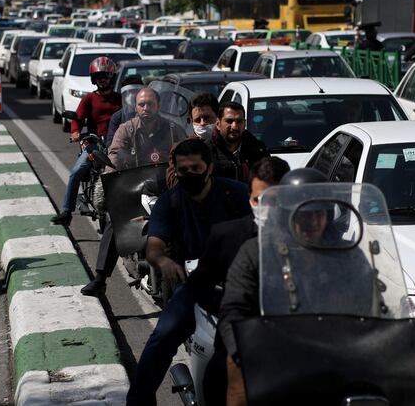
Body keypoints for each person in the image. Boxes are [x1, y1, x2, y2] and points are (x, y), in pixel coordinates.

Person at [125, 138, 252, 406]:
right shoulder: (170, 202)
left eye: (195, 168)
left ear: (209, 168)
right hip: (197, 284)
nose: (189, 175)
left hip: (247, 282)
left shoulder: (238, 194)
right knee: (163, 336)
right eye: (183, 170)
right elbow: (154, 247)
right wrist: (165, 262)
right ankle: (138, 400)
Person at [218, 167, 328, 406]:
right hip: (270, 353)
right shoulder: (256, 252)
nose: (312, 222)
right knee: (235, 368)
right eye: (303, 214)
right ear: (286, 214)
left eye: (318, 213)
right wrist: (245, 352)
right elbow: (233, 312)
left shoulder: (346, 253)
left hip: (330, 351)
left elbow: (371, 303)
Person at [187, 156, 290, 406]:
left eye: (275, 200)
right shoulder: (227, 236)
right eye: (260, 200)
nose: (267, 207)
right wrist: (230, 303)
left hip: (294, 338)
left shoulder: (308, 232)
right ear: (250, 200)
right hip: (240, 336)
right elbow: (198, 285)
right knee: (217, 380)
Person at [83, 87, 186, 295]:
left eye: (150, 104)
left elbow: (187, 153)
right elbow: (114, 155)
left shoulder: (173, 129)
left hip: (167, 190)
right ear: (135, 107)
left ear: (158, 106)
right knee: (115, 224)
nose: (146, 108)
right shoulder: (126, 129)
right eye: (141, 104)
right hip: (134, 189)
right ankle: (101, 279)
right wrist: (113, 170)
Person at [52, 57, 120, 226]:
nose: (102, 79)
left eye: (105, 76)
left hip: (117, 142)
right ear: (93, 79)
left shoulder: (119, 98)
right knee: (77, 171)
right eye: (98, 76)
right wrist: (75, 131)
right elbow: (78, 118)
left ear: (111, 77)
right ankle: (67, 212)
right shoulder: (89, 98)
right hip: (94, 143)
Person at [204, 101, 268, 184]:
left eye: (239, 121)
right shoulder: (206, 151)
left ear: (244, 124)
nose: (234, 126)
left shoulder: (258, 149)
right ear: (218, 124)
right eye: (229, 121)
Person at [104, 74, 144, 148]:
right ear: (124, 96)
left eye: (136, 92)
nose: (132, 96)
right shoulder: (117, 117)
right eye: (129, 92)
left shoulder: (148, 114)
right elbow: (110, 143)